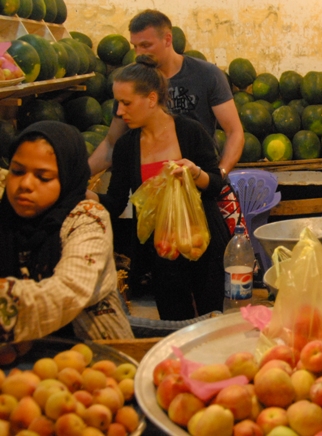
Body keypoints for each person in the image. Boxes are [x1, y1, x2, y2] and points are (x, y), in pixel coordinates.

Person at [87, 55, 232, 320]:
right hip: (163, 254)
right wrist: (85, 193)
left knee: (211, 321)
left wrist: (195, 172)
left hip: (203, 245)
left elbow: (215, 185)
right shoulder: (126, 146)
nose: (119, 111)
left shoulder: (191, 132)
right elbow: (117, 202)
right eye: (118, 103)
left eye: (126, 103)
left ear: (151, 99)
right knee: (174, 327)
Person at [0, 120, 134, 346]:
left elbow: (69, 290)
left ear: (68, 178)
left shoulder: (87, 219)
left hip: (94, 359)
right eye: (17, 171)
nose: (25, 184)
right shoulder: (6, 218)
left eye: (43, 177)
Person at [88, 9, 244, 177]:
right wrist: (78, 179)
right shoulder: (132, 81)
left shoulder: (207, 74)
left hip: (200, 179)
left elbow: (234, 132)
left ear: (168, 39)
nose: (139, 53)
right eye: (135, 46)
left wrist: (219, 175)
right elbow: (112, 144)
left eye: (146, 45)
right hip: (153, 183)